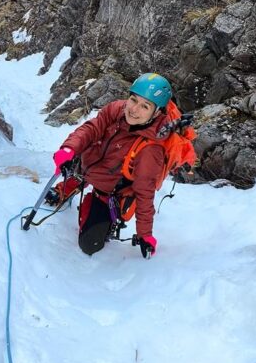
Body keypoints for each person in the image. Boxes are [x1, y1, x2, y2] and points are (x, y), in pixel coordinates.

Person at [51, 73, 173, 258]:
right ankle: (71, 184)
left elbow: (144, 191)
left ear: (156, 113)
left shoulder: (151, 149)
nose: (134, 109)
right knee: (78, 165)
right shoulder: (117, 109)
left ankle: (91, 200)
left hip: (107, 189)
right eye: (133, 100)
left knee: (89, 245)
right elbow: (92, 128)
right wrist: (70, 149)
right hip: (87, 162)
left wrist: (144, 234)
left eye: (145, 106)